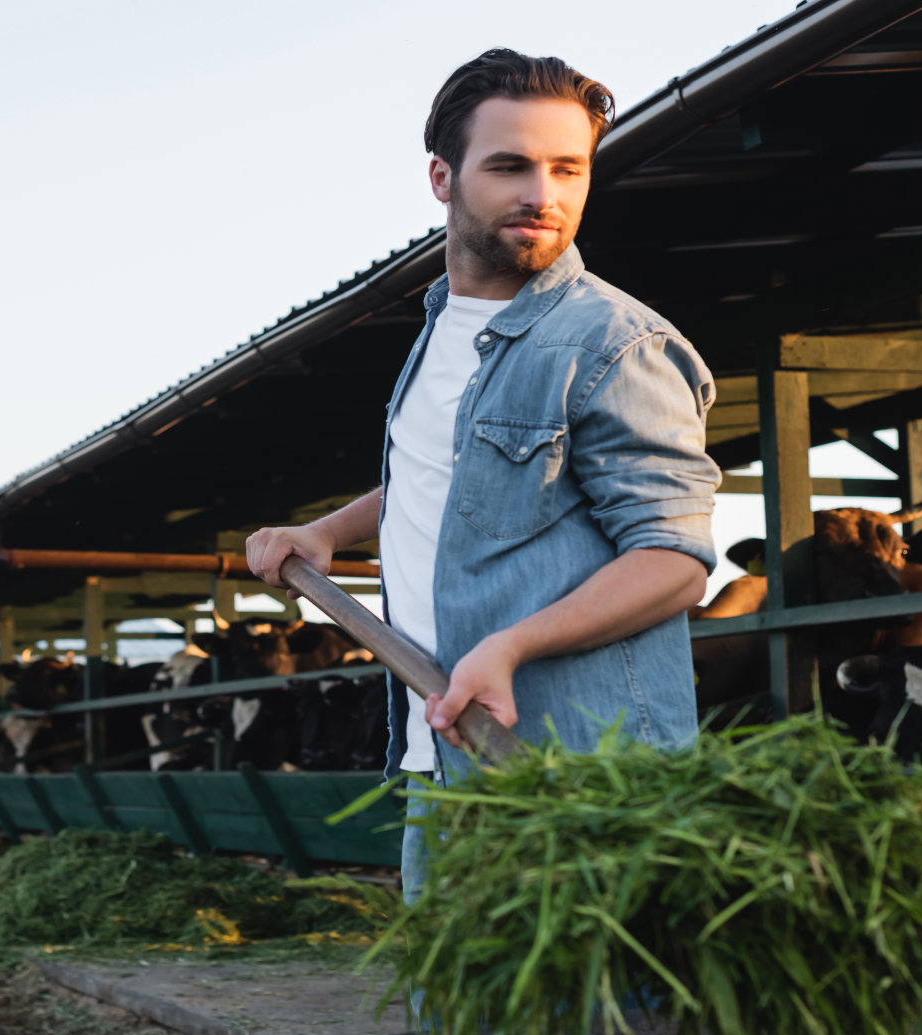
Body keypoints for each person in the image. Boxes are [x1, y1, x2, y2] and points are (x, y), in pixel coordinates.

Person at [246, 49, 720, 902]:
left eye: (567, 168)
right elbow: (455, 473)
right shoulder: (443, 325)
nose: (543, 194)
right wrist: (326, 533)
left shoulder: (618, 344)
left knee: (585, 993)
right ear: (442, 177)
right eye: (510, 167)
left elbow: (675, 562)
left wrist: (510, 646)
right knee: (448, 990)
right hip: (445, 749)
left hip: (576, 769)